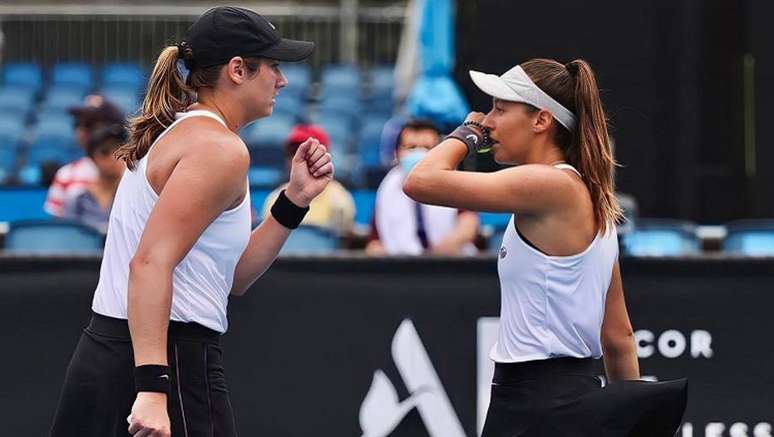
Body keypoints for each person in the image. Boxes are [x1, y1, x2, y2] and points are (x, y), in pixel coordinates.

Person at [49, 7, 330, 437]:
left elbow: (229, 278)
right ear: (238, 70)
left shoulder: (185, 133)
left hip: (123, 355)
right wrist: (152, 389)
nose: (282, 79)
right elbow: (149, 263)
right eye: (273, 65)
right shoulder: (218, 150)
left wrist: (294, 201)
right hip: (167, 362)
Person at [403, 59, 687, 436]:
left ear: (541, 120)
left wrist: (467, 132)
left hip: (536, 406)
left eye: (500, 109)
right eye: (488, 111)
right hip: (561, 403)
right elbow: (618, 338)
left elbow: (420, 181)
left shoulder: (550, 187)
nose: (488, 120)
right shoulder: (587, 196)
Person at [366, 118, 479, 255]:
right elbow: (375, 241)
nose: (419, 153)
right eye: (411, 147)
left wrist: (442, 252)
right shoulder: (387, 189)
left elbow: (468, 224)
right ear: (396, 153)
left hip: (451, 265)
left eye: (427, 148)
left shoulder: (454, 180)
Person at [262, 124, 355, 235]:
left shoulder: (339, 199)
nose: (296, 158)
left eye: (305, 152)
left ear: (324, 156)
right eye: (292, 151)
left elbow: (345, 242)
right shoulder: (274, 199)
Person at [44, 95, 125, 217]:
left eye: (89, 124)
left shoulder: (134, 172)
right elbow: (60, 227)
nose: (81, 131)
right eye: (77, 124)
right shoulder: (66, 174)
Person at [61, 123, 127, 233]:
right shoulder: (77, 198)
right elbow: (69, 237)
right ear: (92, 158)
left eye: (120, 149)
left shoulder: (132, 195)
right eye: (105, 152)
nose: (114, 156)